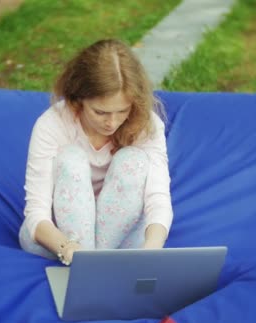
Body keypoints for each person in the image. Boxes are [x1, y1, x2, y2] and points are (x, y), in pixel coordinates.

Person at [18, 39, 173, 265]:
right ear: (77, 100)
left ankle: (96, 267)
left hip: (120, 238)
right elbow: (36, 213)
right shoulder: (51, 125)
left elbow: (158, 199)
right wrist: (68, 248)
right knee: (71, 158)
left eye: (122, 111)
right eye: (100, 112)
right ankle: (92, 266)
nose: (112, 123)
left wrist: (151, 252)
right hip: (61, 241)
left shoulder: (147, 125)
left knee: (134, 160)